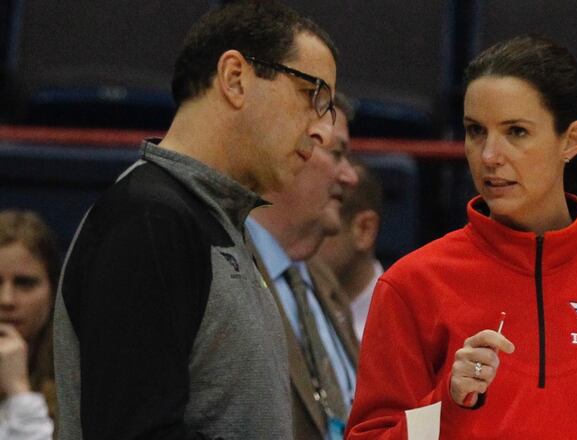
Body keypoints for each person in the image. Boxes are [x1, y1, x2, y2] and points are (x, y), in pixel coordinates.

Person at [346, 34, 577, 439]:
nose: (490, 155)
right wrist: (448, 402)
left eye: (516, 132)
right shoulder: (411, 284)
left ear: (571, 140)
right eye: (476, 131)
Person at [53, 1, 338, 439]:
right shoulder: (149, 220)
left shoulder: (215, 220)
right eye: (311, 94)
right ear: (235, 78)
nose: (322, 130)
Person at [246, 92, 359, 439]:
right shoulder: (224, 270)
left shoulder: (321, 278)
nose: (351, 177)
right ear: (287, 152)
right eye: (337, 154)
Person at [0, 210, 58, 440]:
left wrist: (18, 389)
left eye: (25, 283)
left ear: (53, 291)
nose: (7, 300)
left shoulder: (77, 382)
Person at [316, 158, 384, 341]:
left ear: (364, 229)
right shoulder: (285, 309)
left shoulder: (411, 318)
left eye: (320, 228)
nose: (300, 242)